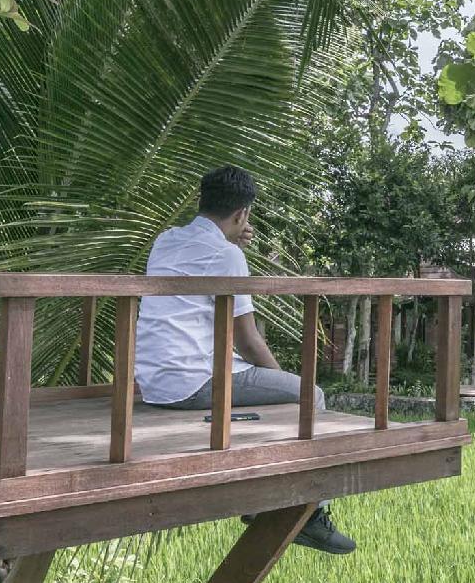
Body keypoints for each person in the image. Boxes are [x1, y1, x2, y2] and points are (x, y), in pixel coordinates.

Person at [136, 165, 355, 555]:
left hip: (156, 382)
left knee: (282, 397)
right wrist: (284, 382)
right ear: (242, 214)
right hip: (196, 380)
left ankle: (268, 500)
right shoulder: (227, 255)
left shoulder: (165, 241)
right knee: (309, 396)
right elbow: (248, 339)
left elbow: (204, 258)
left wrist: (233, 242)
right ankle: (307, 513)